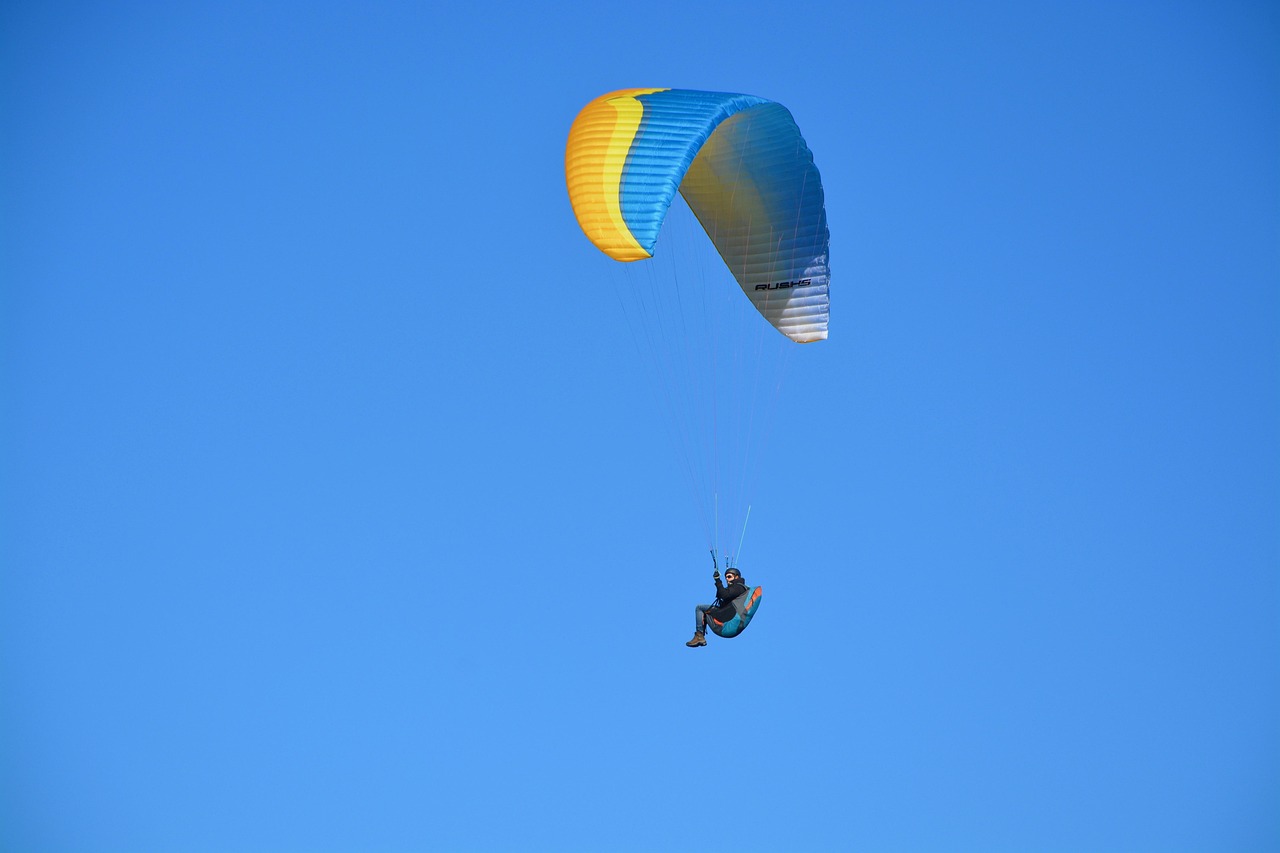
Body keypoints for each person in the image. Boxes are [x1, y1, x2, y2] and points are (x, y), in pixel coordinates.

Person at [687, 567, 746, 647]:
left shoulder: (739, 587)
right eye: (726, 578)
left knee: (699, 608)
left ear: (737, 577)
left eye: (729, 577)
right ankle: (700, 636)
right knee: (705, 612)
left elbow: (725, 595)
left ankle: (699, 635)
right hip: (727, 614)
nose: (727, 579)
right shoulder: (734, 588)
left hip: (728, 616)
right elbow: (724, 596)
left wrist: (718, 580)